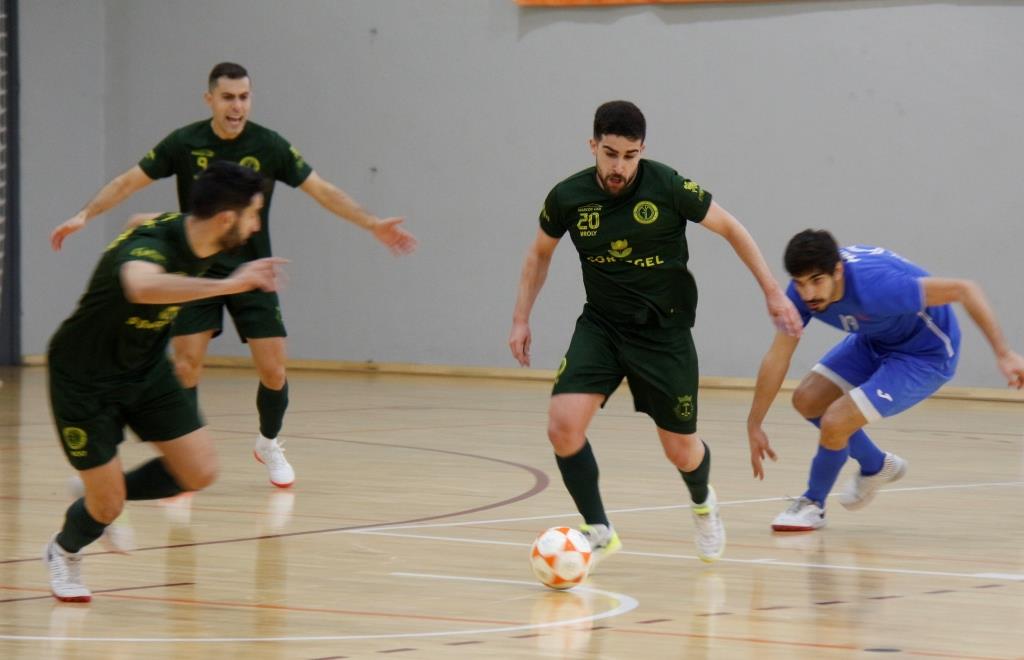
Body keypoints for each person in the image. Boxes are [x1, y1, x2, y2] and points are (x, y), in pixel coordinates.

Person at [49, 62, 417, 488]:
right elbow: (128, 182)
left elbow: (323, 190)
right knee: (186, 366)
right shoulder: (184, 142)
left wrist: (372, 224)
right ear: (210, 100)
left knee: (274, 369)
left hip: (251, 271)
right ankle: (177, 465)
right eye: (227, 97)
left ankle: (269, 443)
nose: (236, 106)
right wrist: (85, 214)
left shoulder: (269, 145)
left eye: (244, 97)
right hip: (193, 271)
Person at [508, 101, 802, 563]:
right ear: (592, 146)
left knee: (681, 451)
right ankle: (599, 528)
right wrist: (521, 317)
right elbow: (539, 253)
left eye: (630, 156)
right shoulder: (568, 197)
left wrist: (772, 292)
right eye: (610, 154)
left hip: (664, 334)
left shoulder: (667, 186)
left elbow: (731, 228)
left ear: (642, 150)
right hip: (602, 328)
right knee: (562, 427)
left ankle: (703, 503)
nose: (619, 167)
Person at [44, 162, 287, 601]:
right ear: (226, 219)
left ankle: (99, 488)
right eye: (253, 215)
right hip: (84, 378)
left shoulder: (191, 230)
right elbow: (140, 286)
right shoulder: (152, 248)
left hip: (145, 367)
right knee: (106, 506)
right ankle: (64, 551)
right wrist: (231, 285)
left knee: (199, 471)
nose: (256, 227)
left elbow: (136, 219)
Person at [746, 229, 1024, 531]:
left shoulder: (879, 287)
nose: (809, 294)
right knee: (807, 400)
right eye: (800, 283)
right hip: (875, 339)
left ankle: (814, 503)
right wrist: (755, 422)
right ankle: (877, 465)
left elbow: (965, 290)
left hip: (925, 355)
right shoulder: (801, 294)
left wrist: (1004, 353)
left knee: (836, 421)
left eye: (816, 281)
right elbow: (778, 356)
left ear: (837, 271)